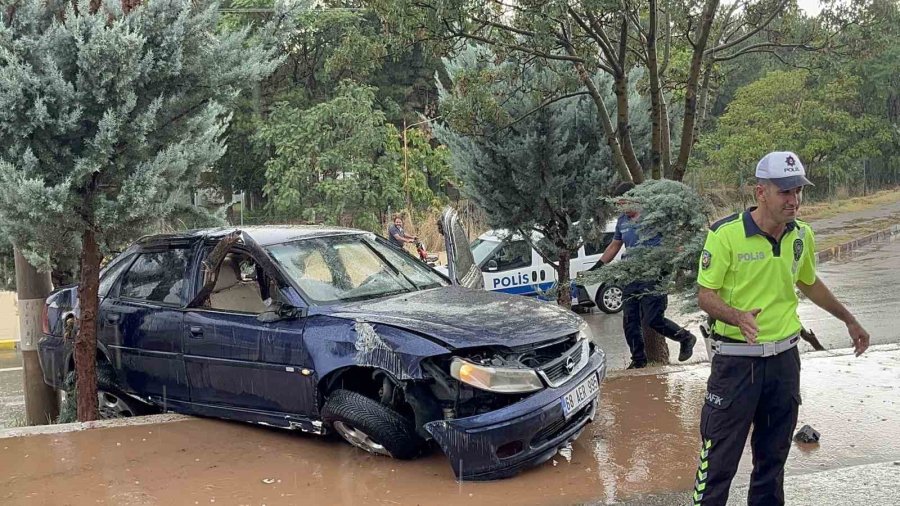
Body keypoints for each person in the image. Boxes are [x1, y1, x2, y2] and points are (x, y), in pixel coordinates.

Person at [691, 151, 870, 505]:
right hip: (736, 365)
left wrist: (848, 319)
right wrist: (736, 316)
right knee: (717, 465)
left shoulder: (801, 235)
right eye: (785, 192)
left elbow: (809, 283)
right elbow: (705, 295)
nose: (794, 200)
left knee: (772, 463)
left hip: (785, 363)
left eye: (798, 191)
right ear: (761, 193)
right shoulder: (725, 235)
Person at [597, 181, 698, 369]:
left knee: (652, 319)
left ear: (635, 198)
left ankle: (685, 338)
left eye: (623, 203)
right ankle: (638, 360)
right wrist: (597, 267)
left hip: (654, 274)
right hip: (631, 276)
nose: (621, 208)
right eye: (618, 205)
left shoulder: (654, 216)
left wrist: (683, 260)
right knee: (629, 321)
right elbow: (615, 245)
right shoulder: (622, 221)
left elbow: (674, 241)